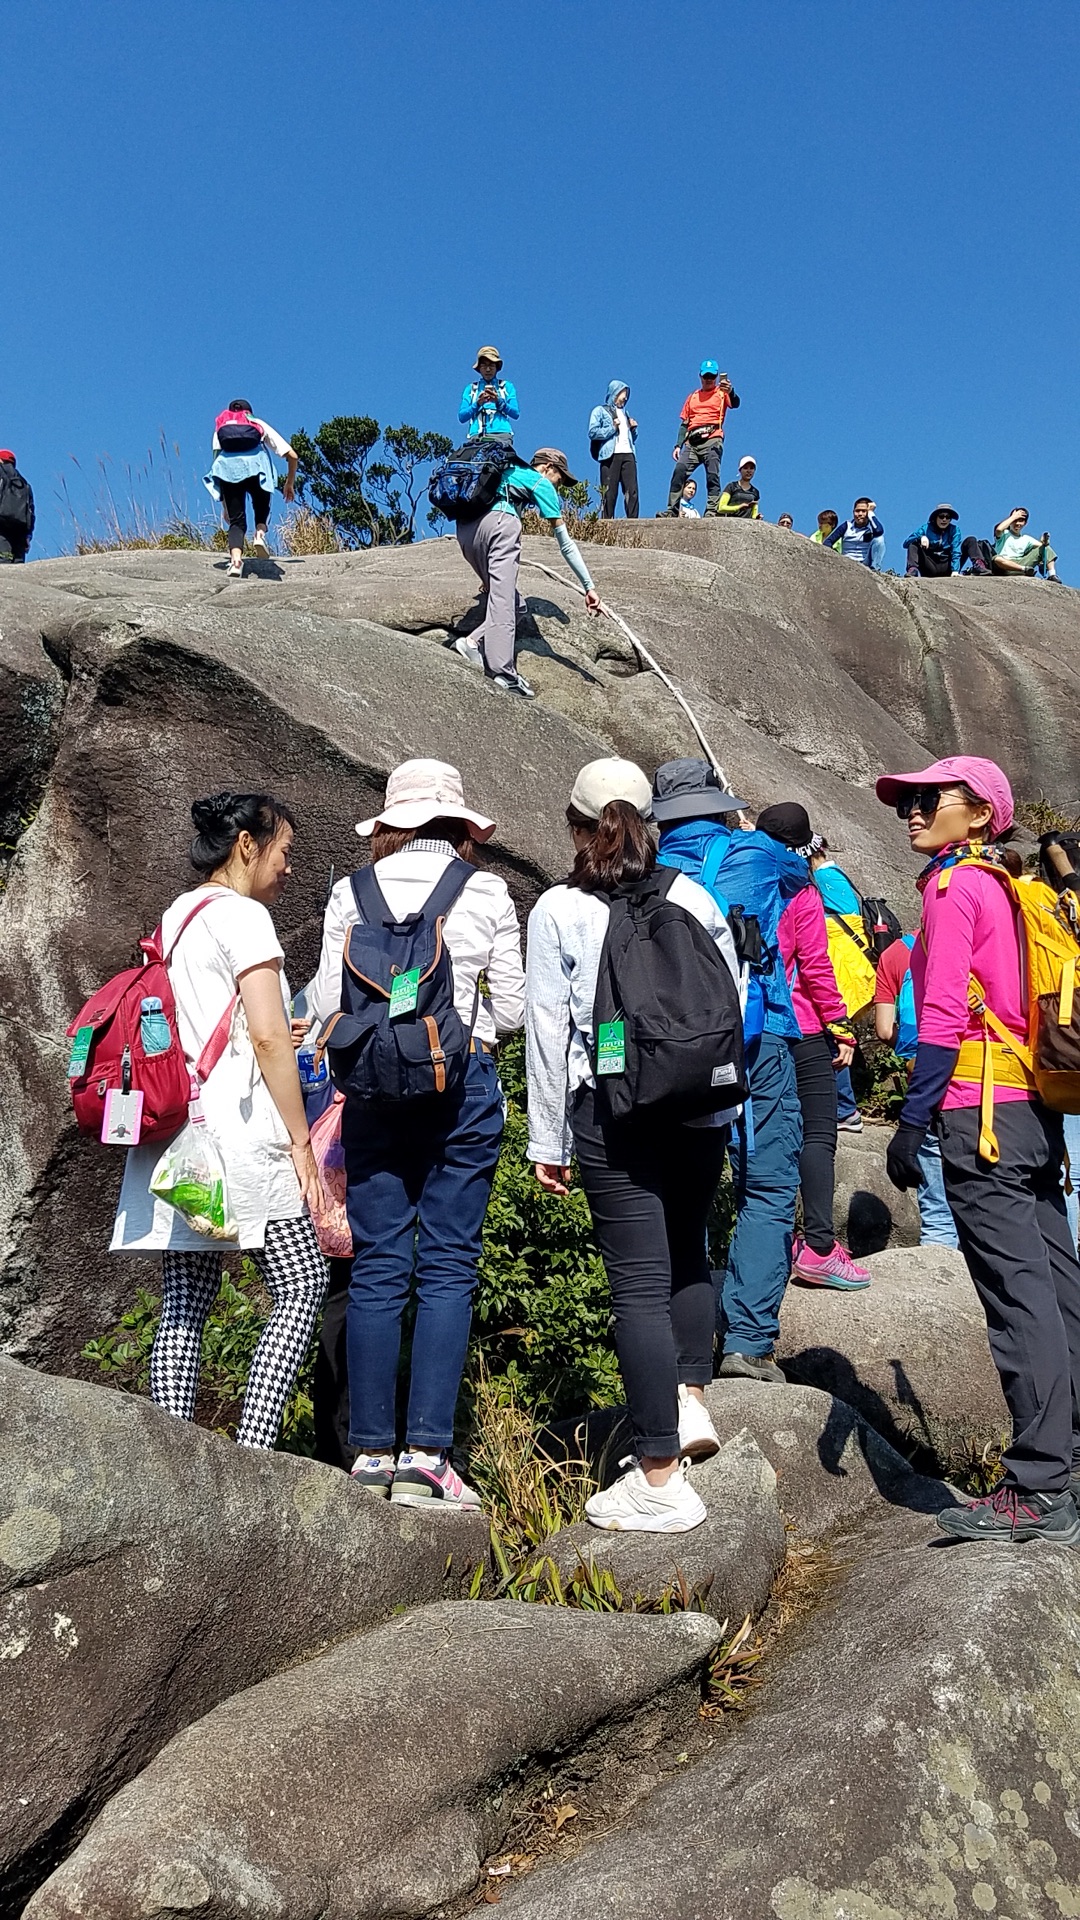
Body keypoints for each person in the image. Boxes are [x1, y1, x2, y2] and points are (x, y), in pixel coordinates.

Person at [525, 758, 741, 1532]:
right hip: (697, 1106)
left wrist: (545, 1137)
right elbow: (731, 999)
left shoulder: (557, 909)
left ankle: (658, 1478)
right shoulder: (691, 894)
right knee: (690, 1250)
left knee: (636, 1286)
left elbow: (549, 1030)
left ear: (578, 824)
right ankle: (688, 1403)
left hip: (610, 1111)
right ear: (653, 821)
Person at [307, 760, 525, 1510]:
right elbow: (517, 1011)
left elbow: (326, 999)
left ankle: (369, 1455)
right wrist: (468, 1034)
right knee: (448, 1269)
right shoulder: (488, 890)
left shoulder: (348, 892)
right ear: (461, 825)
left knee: (375, 1270)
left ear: (392, 825)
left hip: (369, 1093)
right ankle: (428, 1457)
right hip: (458, 1092)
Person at [877, 754, 1080, 1546]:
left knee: (1015, 1292)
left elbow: (941, 1010)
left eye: (932, 799)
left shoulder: (956, 887)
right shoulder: (1006, 884)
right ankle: (1067, 1454)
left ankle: (1037, 1485)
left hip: (978, 1109)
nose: (914, 810)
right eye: (911, 800)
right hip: (1028, 1106)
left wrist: (912, 1117)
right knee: (1058, 1278)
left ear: (981, 812)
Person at [110, 793, 328, 1449]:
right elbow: (266, 1040)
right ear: (247, 846)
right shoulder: (245, 919)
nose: (289, 868)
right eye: (285, 851)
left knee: (186, 1298)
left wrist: (259, 1031)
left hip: (182, 1132)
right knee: (302, 1282)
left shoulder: (178, 916)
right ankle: (254, 1449)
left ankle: (173, 1455)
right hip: (239, 1134)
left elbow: (214, 1018)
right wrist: (299, 1142)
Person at [653, 759, 807, 1383]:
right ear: (719, 805)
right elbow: (805, 873)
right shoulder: (762, 853)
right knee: (767, 1184)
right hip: (756, 1033)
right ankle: (747, 1341)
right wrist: (748, 831)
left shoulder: (641, 870)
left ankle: (667, 1344)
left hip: (667, 1050)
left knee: (671, 1194)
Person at [759, 804, 871, 1290]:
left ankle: (770, 1239)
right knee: (819, 1131)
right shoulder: (800, 890)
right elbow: (816, 967)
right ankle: (820, 1246)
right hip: (801, 1025)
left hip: (746, 1026)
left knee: (763, 1136)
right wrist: (841, 1028)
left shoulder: (733, 877)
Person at [453, 446, 602, 700]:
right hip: (501, 526)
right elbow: (565, 544)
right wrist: (588, 586)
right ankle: (504, 673)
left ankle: (470, 643)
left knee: (516, 605)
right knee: (502, 601)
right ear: (548, 468)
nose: (558, 487)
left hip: (466, 532)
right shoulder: (539, 483)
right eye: (560, 480)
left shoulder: (506, 473)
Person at [873, 932, 960, 1249]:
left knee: (937, 1214)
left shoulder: (893, 954)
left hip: (921, 1086)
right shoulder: (965, 941)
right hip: (972, 1083)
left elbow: (884, 1030)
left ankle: (938, 1288)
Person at [808, 842, 869, 1132]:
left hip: (840, 970)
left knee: (832, 1038)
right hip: (850, 971)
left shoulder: (823, 879)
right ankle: (844, 1108)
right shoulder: (837, 875)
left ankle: (845, 1109)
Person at [204, 401, 298, 579]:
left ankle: (236, 563)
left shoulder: (220, 428)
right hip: (258, 468)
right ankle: (260, 534)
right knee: (261, 505)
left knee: (236, 522)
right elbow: (292, 455)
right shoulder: (257, 423)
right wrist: (289, 483)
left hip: (227, 470)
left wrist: (225, 507)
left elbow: (217, 461)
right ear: (249, 413)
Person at [660, 362, 740, 516]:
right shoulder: (693, 397)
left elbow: (735, 403)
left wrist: (731, 391)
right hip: (692, 441)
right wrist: (678, 445)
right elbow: (684, 423)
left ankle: (711, 511)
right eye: (706, 376)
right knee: (680, 471)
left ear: (716, 377)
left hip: (712, 438)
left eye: (712, 376)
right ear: (700, 376)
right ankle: (672, 510)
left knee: (712, 475)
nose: (708, 379)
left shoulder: (722, 393)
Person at [588, 381, 639, 519]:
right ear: (615, 393)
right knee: (610, 491)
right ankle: (607, 521)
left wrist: (633, 429)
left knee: (632, 490)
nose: (626, 398)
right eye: (623, 393)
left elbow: (631, 438)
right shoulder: (600, 411)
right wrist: (612, 428)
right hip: (610, 455)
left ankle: (633, 520)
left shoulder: (626, 414)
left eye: (627, 395)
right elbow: (592, 432)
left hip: (628, 454)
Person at [459, 347, 519, 443]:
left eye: (491, 365)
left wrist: (498, 401)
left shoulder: (506, 386)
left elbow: (516, 413)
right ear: (479, 368)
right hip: (476, 436)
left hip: (502, 435)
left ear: (497, 367)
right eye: (483, 365)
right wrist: (478, 403)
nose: (488, 369)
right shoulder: (471, 389)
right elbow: (462, 417)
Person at [988, 508, 1061, 582]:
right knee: (996, 558)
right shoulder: (1004, 534)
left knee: (1046, 548)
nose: (1017, 523)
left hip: (1021, 562)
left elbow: (1044, 547)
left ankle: (1052, 575)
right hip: (1004, 566)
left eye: (1021, 521)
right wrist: (1013, 516)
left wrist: (1045, 541)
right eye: (1015, 521)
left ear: (1025, 523)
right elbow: (999, 529)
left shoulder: (1026, 539)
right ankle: (1024, 570)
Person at [823, 498, 886, 571]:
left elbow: (879, 531)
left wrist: (871, 514)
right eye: (857, 511)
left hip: (865, 563)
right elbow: (828, 542)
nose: (860, 514)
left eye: (863, 511)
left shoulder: (872, 527)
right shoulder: (847, 525)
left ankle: (874, 569)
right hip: (846, 560)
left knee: (879, 539)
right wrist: (836, 555)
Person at [903, 504, 963, 578]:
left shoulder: (954, 530)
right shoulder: (926, 528)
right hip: (930, 566)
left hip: (947, 566)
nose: (944, 519)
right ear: (935, 517)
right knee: (913, 544)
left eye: (947, 517)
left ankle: (979, 566)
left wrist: (955, 570)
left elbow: (956, 550)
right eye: (941, 516)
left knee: (970, 540)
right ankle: (913, 570)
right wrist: (921, 538)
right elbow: (906, 543)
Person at [0, 450, 35, 562]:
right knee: (17, 564)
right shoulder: (24, 483)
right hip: (20, 531)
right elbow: (31, 512)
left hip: (1, 528)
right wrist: (27, 536)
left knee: (3, 561)